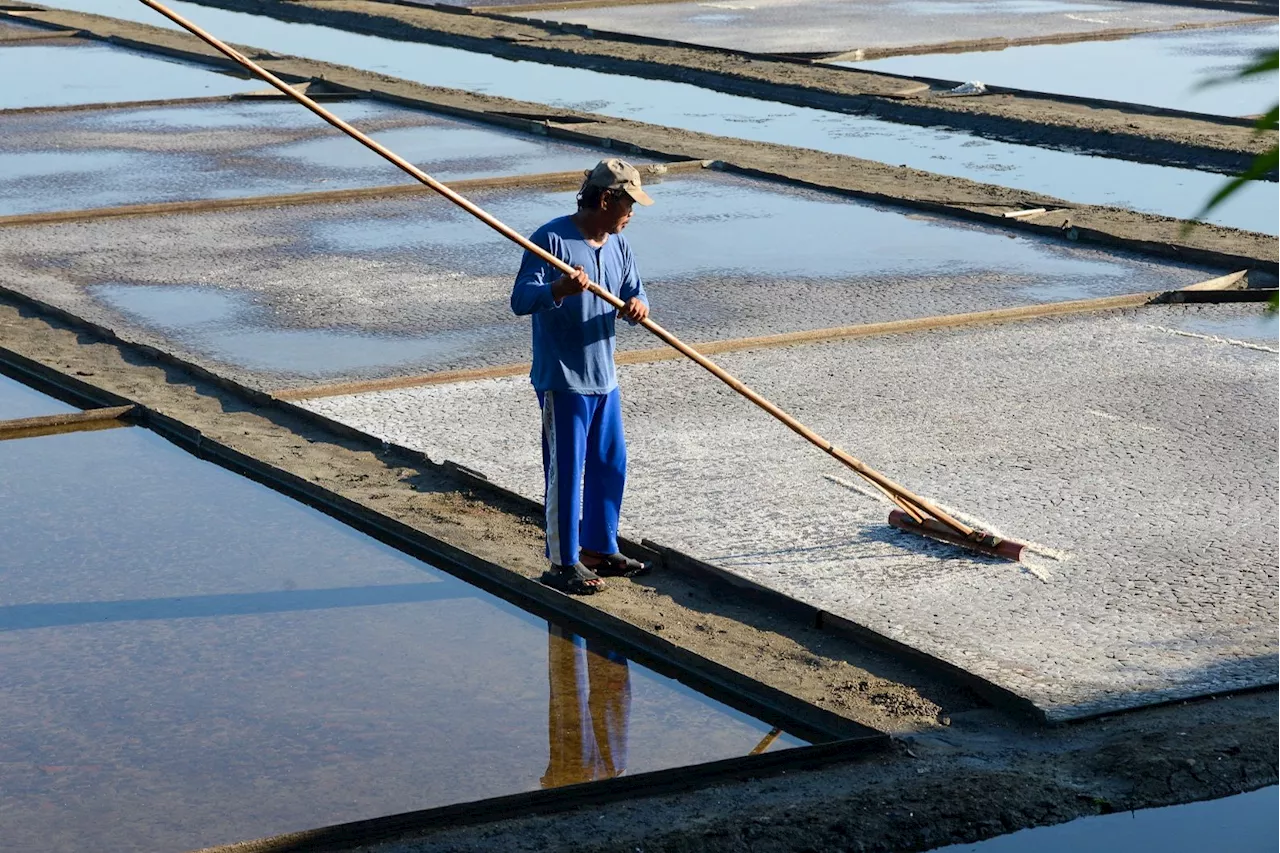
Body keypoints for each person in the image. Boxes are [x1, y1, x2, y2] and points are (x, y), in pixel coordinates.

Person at [510, 159, 656, 595]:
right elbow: (520, 300)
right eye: (628, 203)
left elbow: (635, 290)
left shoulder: (618, 245)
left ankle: (598, 547)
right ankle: (562, 562)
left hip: (604, 376)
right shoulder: (551, 238)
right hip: (563, 378)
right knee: (565, 471)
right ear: (607, 198)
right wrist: (559, 289)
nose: (632, 213)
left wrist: (638, 306)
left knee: (611, 464)